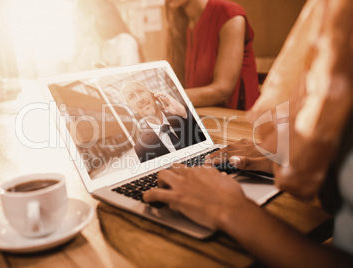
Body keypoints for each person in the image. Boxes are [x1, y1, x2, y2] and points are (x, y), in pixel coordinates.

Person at [144, 0, 353, 266]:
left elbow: (221, 88)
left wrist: (230, 209)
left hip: (239, 116)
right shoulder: (184, 26)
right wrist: (287, 153)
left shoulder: (227, 13)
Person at [166, 0, 259, 110]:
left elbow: (222, 91)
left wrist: (168, 98)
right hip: (204, 114)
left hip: (239, 119)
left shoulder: (229, 13)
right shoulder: (179, 23)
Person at [121, 80, 205, 163]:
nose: (140, 99)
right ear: (132, 108)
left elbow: (206, 140)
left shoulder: (184, 116)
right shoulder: (142, 148)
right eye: (131, 97)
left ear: (152, 94)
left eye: (141, 91)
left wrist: (184, 113)